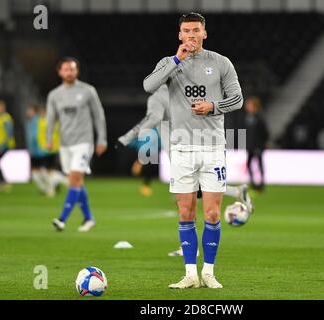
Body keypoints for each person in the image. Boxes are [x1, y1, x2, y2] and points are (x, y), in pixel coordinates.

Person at [143, 12, 243, 289]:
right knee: (185, 211)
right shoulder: (169, 63)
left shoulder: (221, 63)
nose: (191, 35)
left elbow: (237, 98)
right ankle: (190, 273)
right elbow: (148, 85)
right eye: (186, 31)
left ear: (204, 34)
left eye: (196, 30)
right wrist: (177, 60)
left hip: (212, 147)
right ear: (179, 35)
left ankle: (208, 271)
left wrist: (213, 106)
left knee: (212, 213)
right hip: (182, 148)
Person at [46, 57, 107, 232]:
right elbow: (51, 118)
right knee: (77, 181)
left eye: (72, 69)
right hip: (65, 144)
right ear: (59, 72)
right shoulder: (54, 95)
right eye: (65, 69)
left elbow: (98, 115)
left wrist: (101, 139)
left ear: (77, 71)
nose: (69, 72)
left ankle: (62, 219)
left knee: (74, 179)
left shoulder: (88, 91)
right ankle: (88, 218)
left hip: (83, 142)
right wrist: (49, 138)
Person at [26, 104, 67, 197]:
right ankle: (49, 189)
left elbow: (57, 135)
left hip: (48, 150)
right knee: (42, 172)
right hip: (40, 150)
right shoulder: (39, 121)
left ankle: (65, 181)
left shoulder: (49, 121)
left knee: (48, 172)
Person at [244, 96, 269, 191]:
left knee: (259, 164)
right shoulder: (248, 118)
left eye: (249, 105)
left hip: (258, 145)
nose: (247, 107)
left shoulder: (259, 118)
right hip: (250, 145)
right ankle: (253, 183)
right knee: (249, 164)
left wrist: (263, 143)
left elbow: (265, 132)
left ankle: (261, 182)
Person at [0, 100, 15, 193]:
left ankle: (2, 182)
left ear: (1, 108)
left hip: (4, 145)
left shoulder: (5, 118)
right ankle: (1, 182)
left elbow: (9, 132)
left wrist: (3, 144)